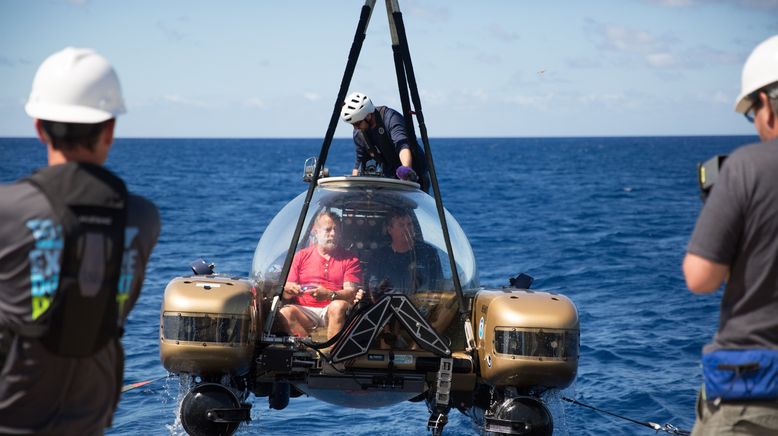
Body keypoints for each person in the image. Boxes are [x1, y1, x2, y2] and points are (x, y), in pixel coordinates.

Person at [0, 48, 160, 434]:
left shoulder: (8, 208)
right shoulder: (143, 218)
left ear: (39, 128)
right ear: (109, 130)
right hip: (89, 418)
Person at [683, 35, 778, 436]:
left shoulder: (747, 168)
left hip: (753, 399)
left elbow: (700, 278)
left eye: (752, 111)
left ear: (769, 104)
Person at [279, 211, 362, 340]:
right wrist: (289, 289)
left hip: (333, 309)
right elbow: (286, 294)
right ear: (316, 232)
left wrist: (330, 295)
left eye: (336, 230)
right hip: (305, 311)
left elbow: (351, 293)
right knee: (285, 312)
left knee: (337, 306)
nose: (333, 234)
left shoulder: (350, 259)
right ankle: (310, 350)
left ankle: (331, 354)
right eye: (328, 230)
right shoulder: (301, 256)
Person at [340, 91, 430, 192]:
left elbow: (403, 146)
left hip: (414, 176)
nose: (356, 128)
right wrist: (353, 189)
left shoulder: (391, 118)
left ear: (368, 116)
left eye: (357, 123)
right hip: (390, 178)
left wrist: (406, 171)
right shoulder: (359, 134)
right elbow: (359, 163)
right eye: (353, 124)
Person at [367, 209, 442, 295]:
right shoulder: (378, 257)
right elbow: (373, 289)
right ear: (389, 230)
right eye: (401, 225)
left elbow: (438, 285)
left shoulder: (429, 253)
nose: (407, 229)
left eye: (409, 224)